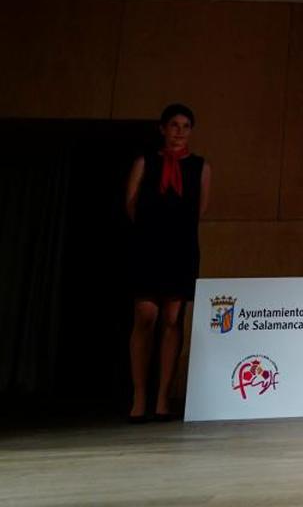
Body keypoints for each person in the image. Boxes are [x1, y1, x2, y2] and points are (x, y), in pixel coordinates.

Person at [124, 103, 211, 422]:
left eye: (186, 125)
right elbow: (130, 204)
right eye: (174, 124)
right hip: (148, 246)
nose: (179, 131)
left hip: (181, 247)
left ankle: (162, 399)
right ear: (162, 128)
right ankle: (139, 396)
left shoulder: (200, 166)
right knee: (145, 315)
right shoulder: (145, 161)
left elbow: (201, 209)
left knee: (174, 319)